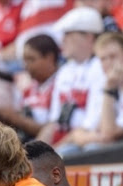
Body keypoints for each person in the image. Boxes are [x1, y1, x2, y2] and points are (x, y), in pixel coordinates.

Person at [55, 32, 123, 155]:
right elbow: (93, 127)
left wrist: (109, 89)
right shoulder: (108, 83)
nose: (108, 63)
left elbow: (108, 135)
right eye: (103, 59)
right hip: (110, 145)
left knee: (92, 150)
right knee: (63, 152)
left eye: (113, 56)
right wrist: (75, 137)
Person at [37, 7, 106, 147]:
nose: (62, 40)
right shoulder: (65, 71)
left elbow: (90, 125)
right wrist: (33, 152)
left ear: (88, 37)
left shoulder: (101, 67)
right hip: (64, 142)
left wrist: (54, 152)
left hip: (85, 142)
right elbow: (53, 123)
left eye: (68, 34)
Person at [0, 34, 60, 140]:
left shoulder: (62, 84)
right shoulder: (28, 89)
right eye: (25, 60)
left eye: (31, 59)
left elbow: (54, 129)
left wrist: (15, 118)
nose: (26, 65)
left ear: (49, 58)